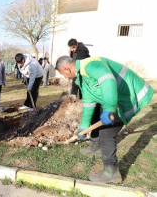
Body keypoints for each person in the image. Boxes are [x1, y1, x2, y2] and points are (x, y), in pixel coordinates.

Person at [55, 55, 154, 183]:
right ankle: (97, 146)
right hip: (116, 97)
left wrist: (109, 108)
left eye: (63, 74)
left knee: (107, 133)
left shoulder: (91, 65)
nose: (64, 77)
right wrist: (84, 127)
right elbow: (89, 102)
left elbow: (108, 81)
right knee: (98, 116)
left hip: (131, 94)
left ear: (67, 69)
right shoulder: (82, 77)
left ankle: (111, 172)